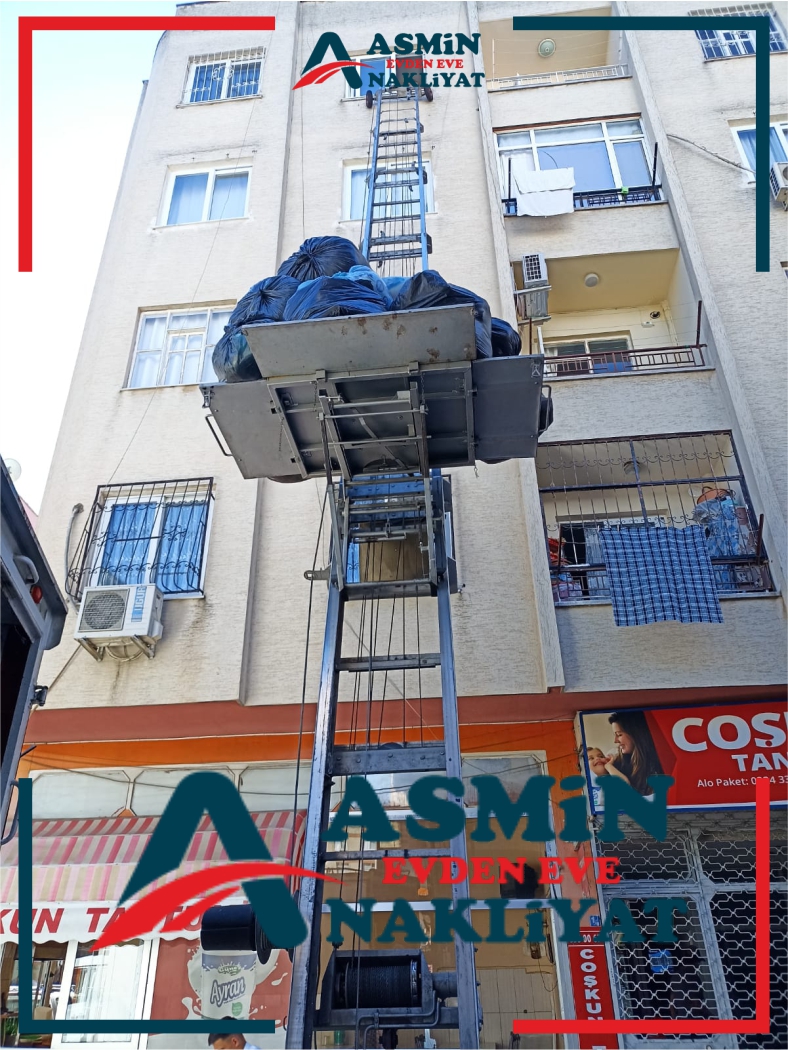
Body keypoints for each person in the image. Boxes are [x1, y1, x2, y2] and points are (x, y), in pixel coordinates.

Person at [606, 710, 664, 796]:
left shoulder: (657, 763)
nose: (615, 741)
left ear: (635, 734)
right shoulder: (616, 762)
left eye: (619, 734)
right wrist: (608, 767)